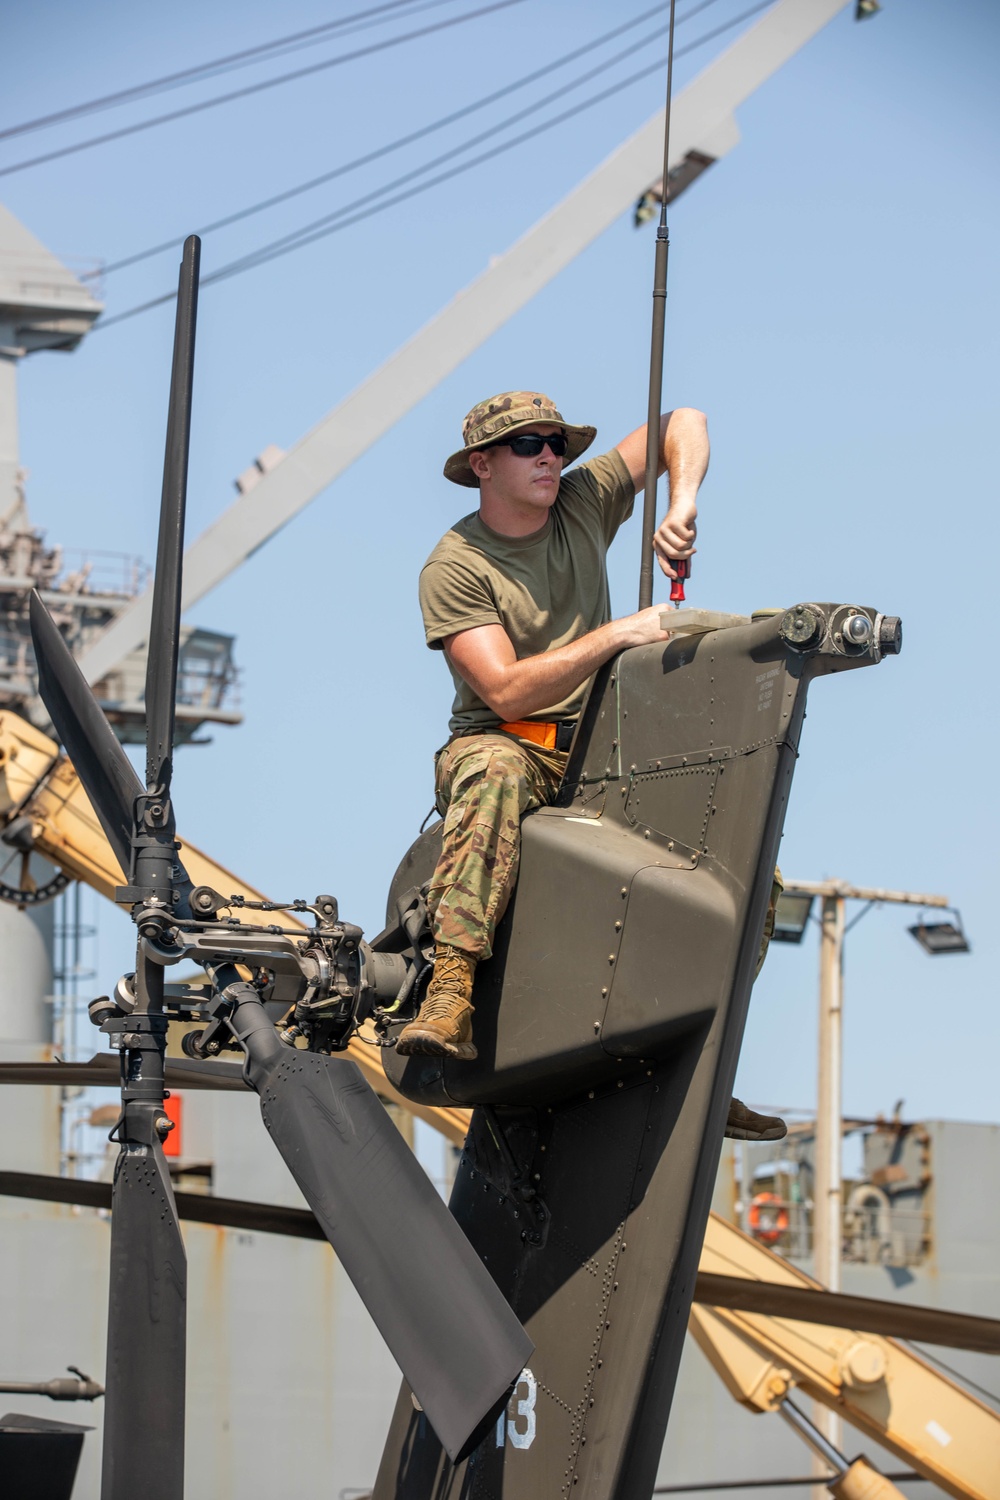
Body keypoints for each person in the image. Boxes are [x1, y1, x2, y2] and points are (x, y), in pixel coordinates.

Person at [397, 390, 785, 1143]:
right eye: (529, 445)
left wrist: (681, 504)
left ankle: (703, 1064)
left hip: (602, 750)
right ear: (483, 464)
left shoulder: (581, 501)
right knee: (494, 770)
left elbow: (684, 422)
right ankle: (450, 987)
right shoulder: (456, 564)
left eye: (558, 443)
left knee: (746, 873)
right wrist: (617, 637)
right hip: (510, 742)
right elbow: (504, 688)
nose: (551, 456)